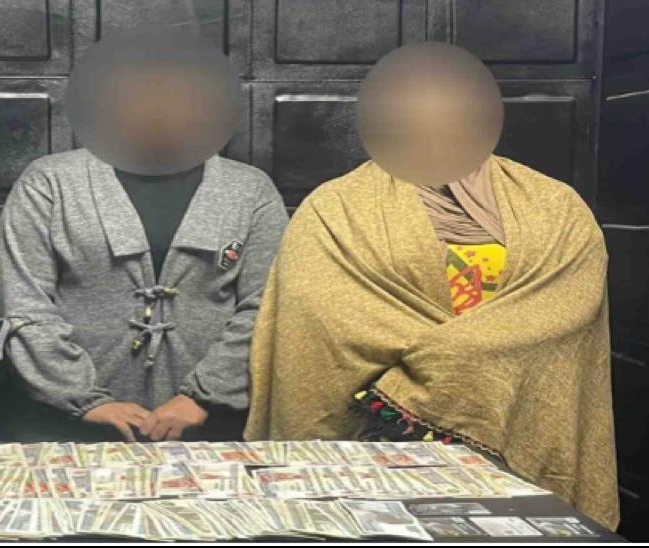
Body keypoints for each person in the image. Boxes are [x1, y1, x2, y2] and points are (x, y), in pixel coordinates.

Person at [245, 42, 619, 530]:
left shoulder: (555, 206)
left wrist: (450, 360)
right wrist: (471, 358)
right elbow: (316, 323)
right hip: (376, 449)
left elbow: (566, 304)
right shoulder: (334, 209)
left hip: (520, 429)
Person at [0, 29, 288, 443]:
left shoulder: (249, 190)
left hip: (210, 426)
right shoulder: (51, 183)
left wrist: (202, 397)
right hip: (65, 424)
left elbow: (266, 307)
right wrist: (85, 399)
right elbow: (24, 303)